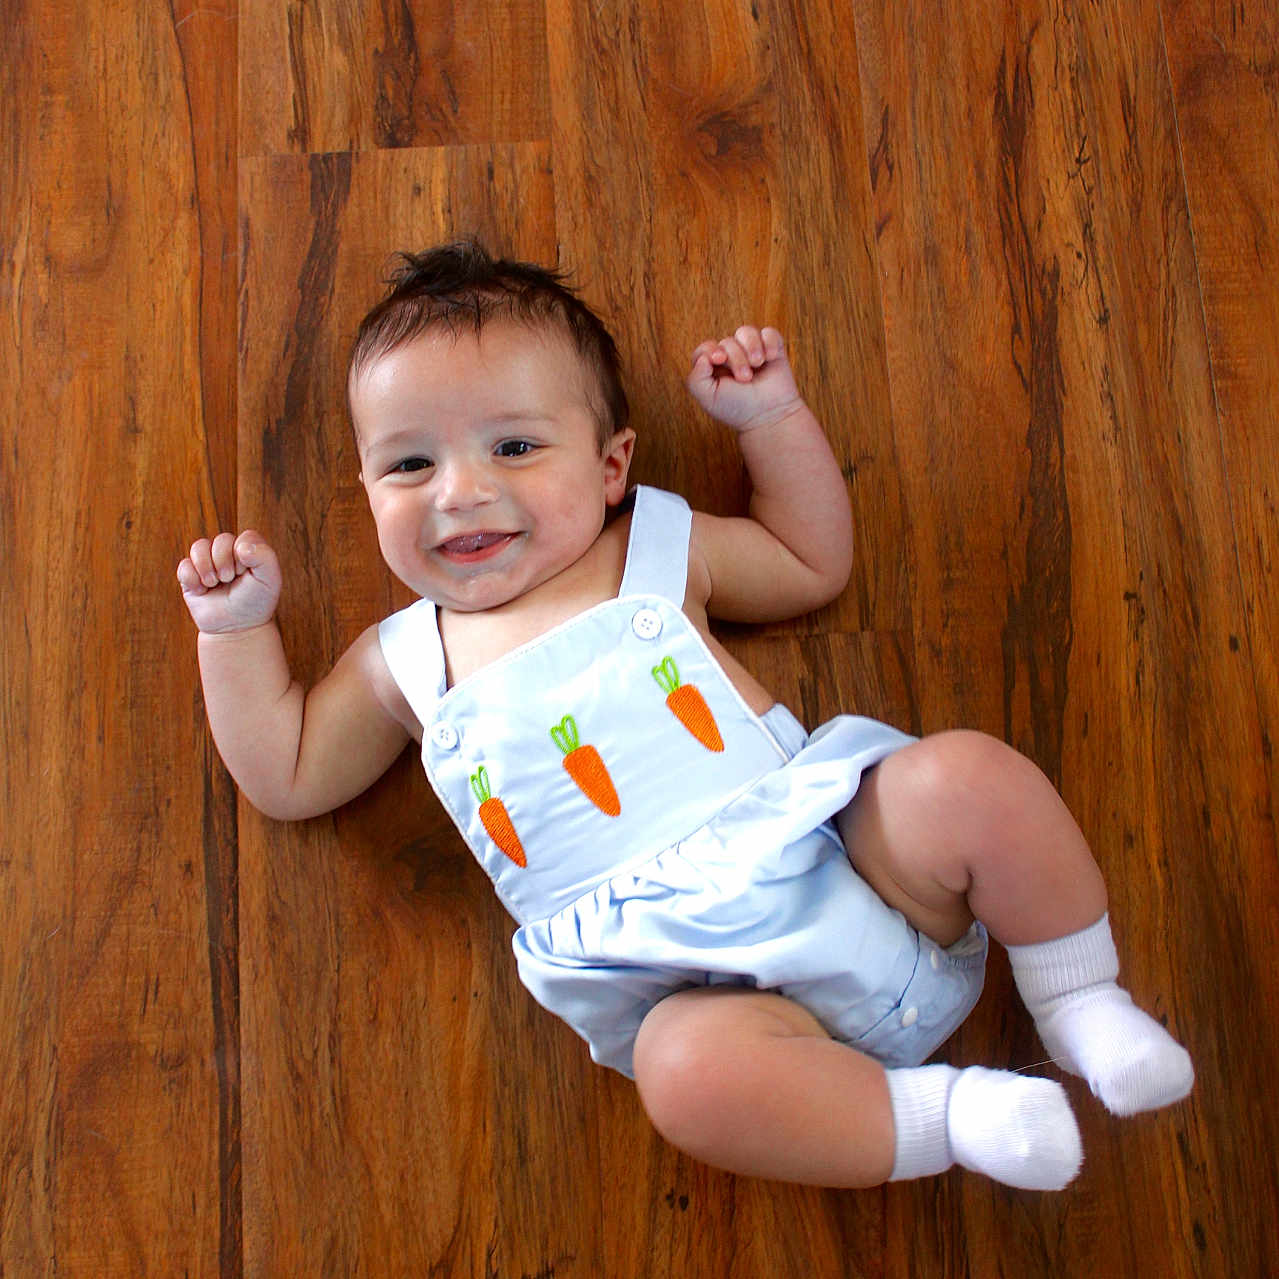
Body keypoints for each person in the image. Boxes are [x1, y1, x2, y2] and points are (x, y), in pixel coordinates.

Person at [177, 239, 1193, 1191]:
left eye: (516, 445)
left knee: (961, 777)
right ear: (364, 487)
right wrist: (234, 634)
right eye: (409, 466)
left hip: (848, 868)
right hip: (701, 995)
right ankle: (948, 1118)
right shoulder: (404, 661)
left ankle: (1079, 1001)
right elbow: (290, 773)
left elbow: (807, 562)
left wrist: (770, 423)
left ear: (611, 467)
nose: (460, 493)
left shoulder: (657, 551)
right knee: (680, 1077)